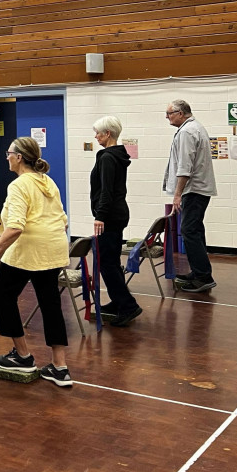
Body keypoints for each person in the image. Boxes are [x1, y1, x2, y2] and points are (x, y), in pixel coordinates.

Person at [0, 137, 72, 387]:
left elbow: (15, 227)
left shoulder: (19, 185)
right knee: (50, 303)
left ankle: (23, 356)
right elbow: (63, 219)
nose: (6, 157)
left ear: (19, 157)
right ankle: (60, 368)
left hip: (29, 250)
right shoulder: (47, 181)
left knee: (2, 292)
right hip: (52, 248)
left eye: (9, 153)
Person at [90, 116, 142, 326]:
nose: (96, 137)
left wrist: (99, 216)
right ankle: (118, 301)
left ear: (108, 134)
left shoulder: (107, 158)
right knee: (110, 261)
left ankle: (128, 305)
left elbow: (106, 191)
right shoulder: (117, 155)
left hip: (110, 216)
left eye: (98, 133)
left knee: (106, 262)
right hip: (117, 214)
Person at [163, 99, 217, 293]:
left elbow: (185, 166)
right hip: (199, 189)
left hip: (194, 190)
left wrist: (177, 195)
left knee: (189, 231)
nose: (167, 117)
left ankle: (203, 276)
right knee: (195, 230)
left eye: (169, 113)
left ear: (180, 113)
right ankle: (199, 272)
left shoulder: (187, 131)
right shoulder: (195, 127)